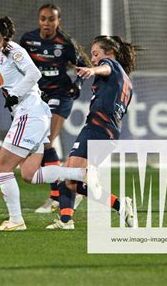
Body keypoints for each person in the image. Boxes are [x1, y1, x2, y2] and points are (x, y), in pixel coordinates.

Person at [30, 35, 139, 229]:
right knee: (71, 179)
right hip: (110, 133)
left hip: (97, 128)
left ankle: (120, 205)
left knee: (69, 176)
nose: (94, 58)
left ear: (110, 53)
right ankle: (66, 220)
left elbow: (105, 67)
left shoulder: (111, 65)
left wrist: (92, 69)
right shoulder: (127, 81)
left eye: (96, 54)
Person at [0, 16, 52, 231]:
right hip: (32, 114)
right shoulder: (3, 53)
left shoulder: (11, 48)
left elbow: (34, 73)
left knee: (2, 167)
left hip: (29, 114)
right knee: (29, 174)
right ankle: (79, 174)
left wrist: (15, 95)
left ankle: (16, 220)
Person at [19, 4, 90, 214]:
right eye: (43, 19)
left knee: (46, 140)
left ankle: (57, 196)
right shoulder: (28, 40)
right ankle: (63, 191)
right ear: (38, 20)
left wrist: (77, 85)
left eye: (51, 19)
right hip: (37, 97)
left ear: (58, 21)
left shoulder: (65, 43)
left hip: (60, 95)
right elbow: (19, 65)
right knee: (42, 143)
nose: (47, 23)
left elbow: (83, 66)